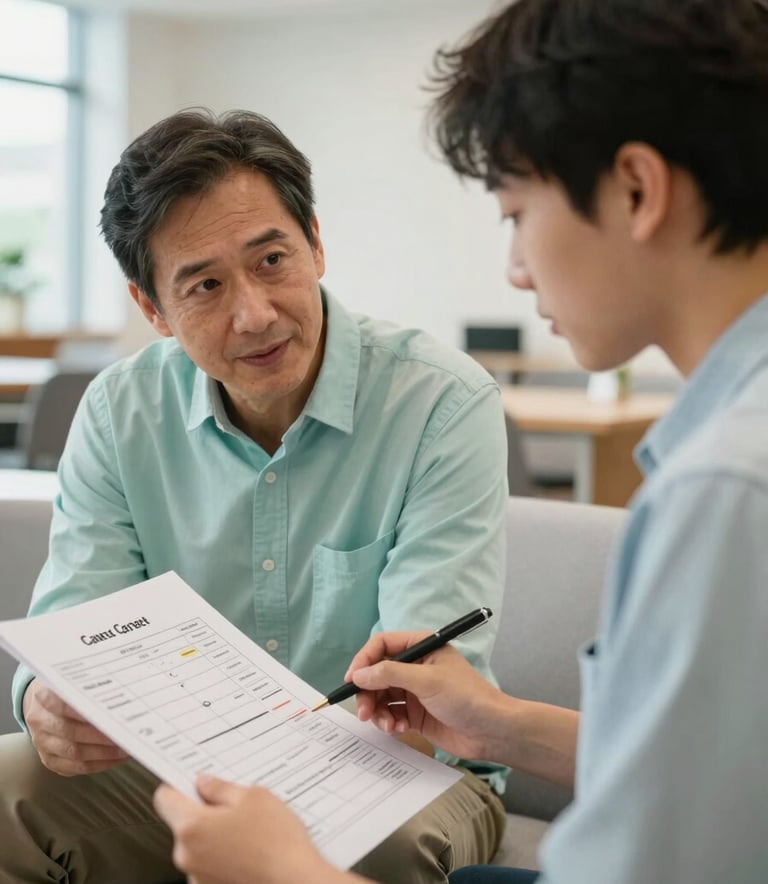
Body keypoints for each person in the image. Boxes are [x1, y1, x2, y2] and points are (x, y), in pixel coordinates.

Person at [152, 0, 768, 882]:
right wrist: (505, 725)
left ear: (637, 189)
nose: (515, 267)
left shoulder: (726, 490)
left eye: (517, 212)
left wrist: (287, 874)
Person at [0, 110, 511, 884]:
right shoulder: (118, 411)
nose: (255, 313)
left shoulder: (441, 401)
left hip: (391, 771)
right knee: (11, 784)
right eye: (204, 284)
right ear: (152, 309)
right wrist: (47, 702)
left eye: (272, 259)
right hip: (179, 773)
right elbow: (72, 630)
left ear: (314, 241)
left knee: (390, 851)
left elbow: (424, 703)